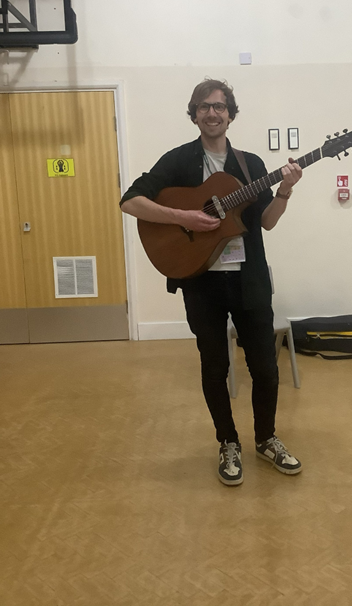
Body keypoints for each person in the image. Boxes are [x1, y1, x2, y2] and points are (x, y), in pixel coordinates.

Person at [120, 79, 303, 486]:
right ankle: (228, 442)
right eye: (203, 106)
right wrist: (183, 217)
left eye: (219, 106)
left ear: (230, 114)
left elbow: (267, 222)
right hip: (201, 280)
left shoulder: (250, 165)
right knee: (214, 365)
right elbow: (130, 201)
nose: (212, 113)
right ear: (194, 114)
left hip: (249, 280)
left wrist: (285, 191)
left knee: (265, 367)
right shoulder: (179, 161)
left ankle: (266, 438)